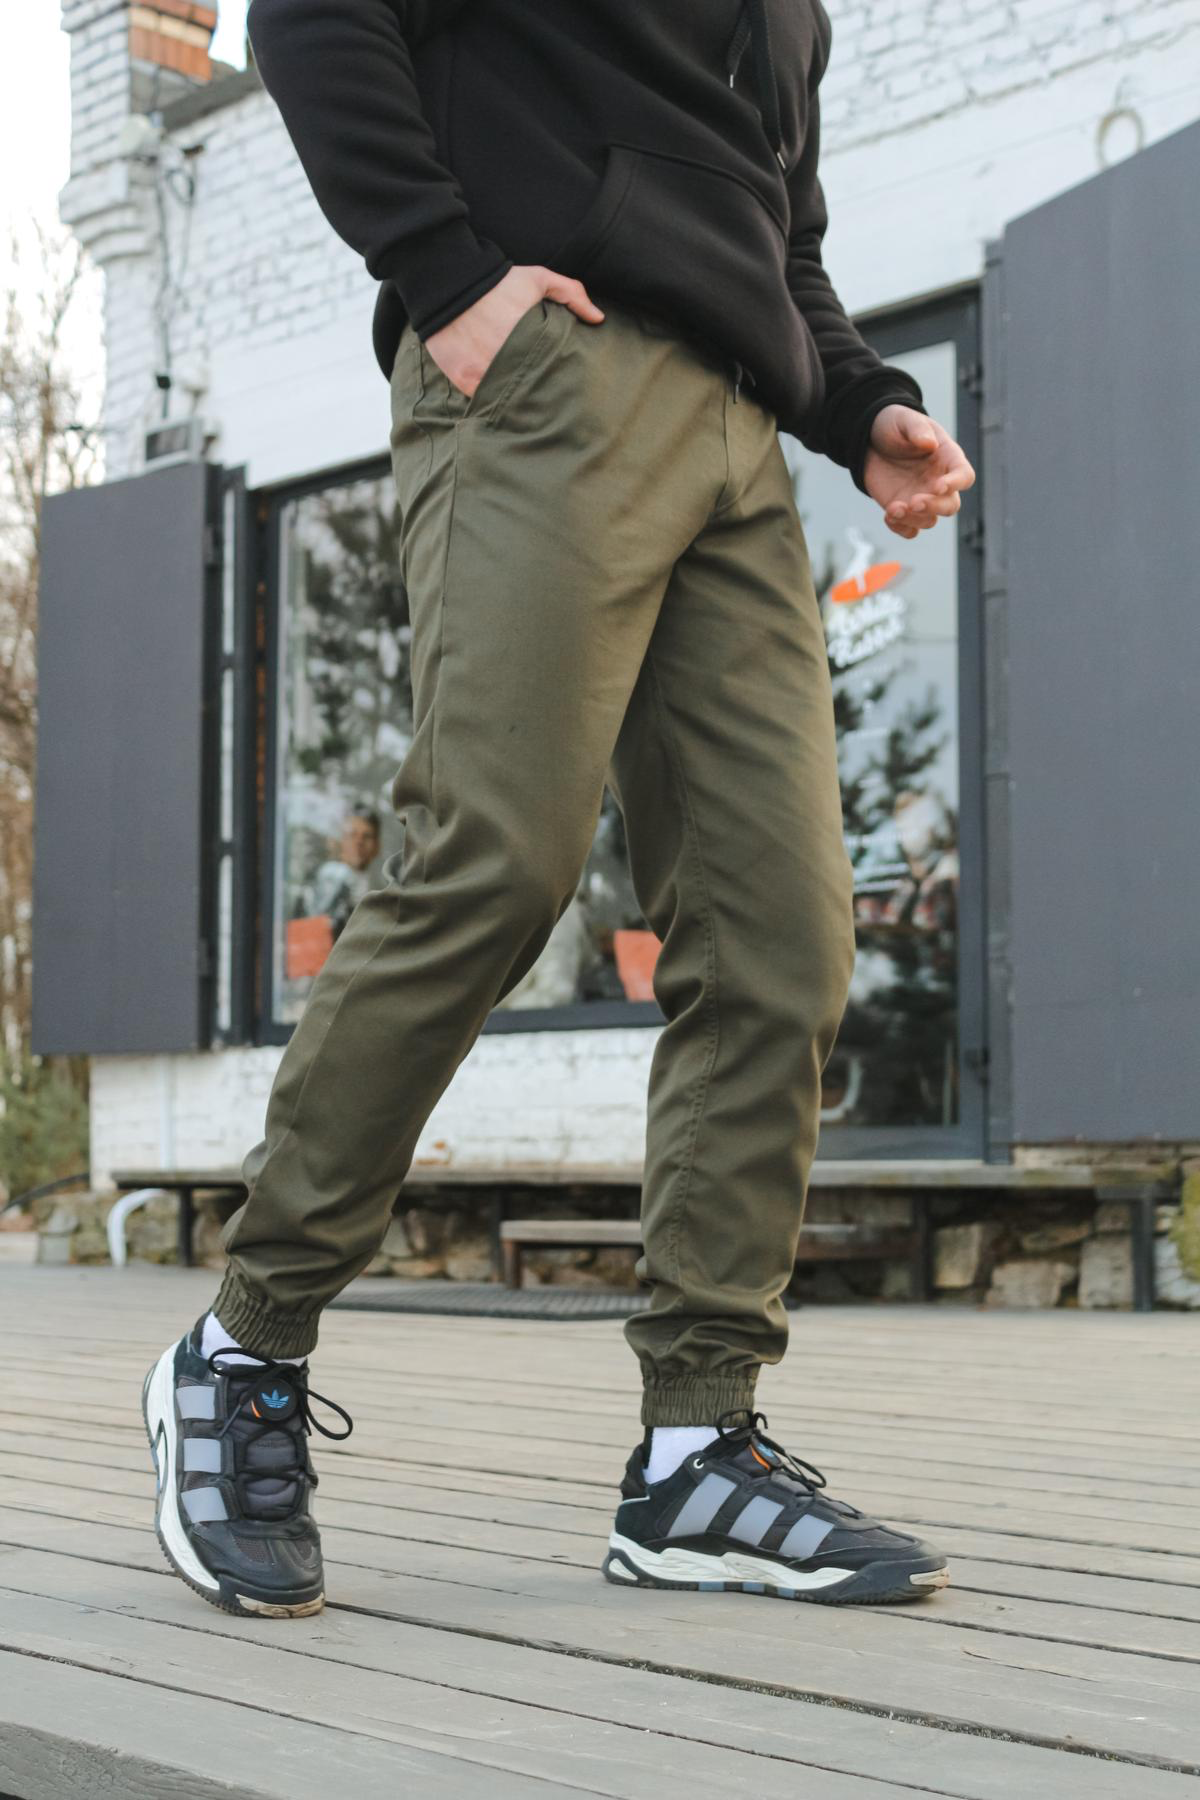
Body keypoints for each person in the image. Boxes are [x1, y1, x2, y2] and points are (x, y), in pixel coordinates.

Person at [143, 0, 974, 1619]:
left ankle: (696, 1451)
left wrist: (858, 401)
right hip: (547, 379)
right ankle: (245, 1344)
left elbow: (779, 238)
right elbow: (314, 16)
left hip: (739, 438)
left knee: (783, 938)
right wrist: (446, 279)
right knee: (494, 864)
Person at [308, 804, 382, 941]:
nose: (359, 842)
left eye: (367, 836)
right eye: (352, 834)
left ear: (377, 846)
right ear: (340, 840)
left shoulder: (382, 888)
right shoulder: (327, 879)